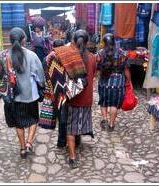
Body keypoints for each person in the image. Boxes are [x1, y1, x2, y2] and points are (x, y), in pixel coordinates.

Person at [0, 27, 45, 159]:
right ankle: (30, 143)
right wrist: (42, 86)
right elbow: (40, 77)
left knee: (19, 124)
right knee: (33, 120)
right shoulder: (32, 55)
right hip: (30, 96)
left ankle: (22, 148)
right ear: (24, 39)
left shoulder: (2, 55)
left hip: (13, 97)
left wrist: (2, 85)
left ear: (10, 40)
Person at [66, 30, 97, 168]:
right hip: (86, 97)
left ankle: (72, 157)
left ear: (74, 40)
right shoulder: (92, 58)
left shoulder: (70, 57)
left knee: (70, 128)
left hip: (72, 97)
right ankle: (78, 141)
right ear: (87, 41)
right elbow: (93, 74)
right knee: (81, 120)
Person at [97, 33, 132, 132]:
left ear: (104, 43)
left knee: (103, 102)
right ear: (114, 41)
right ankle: (111, 124)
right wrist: (129, 81)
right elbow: (126, 70)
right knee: (114, 105)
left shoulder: (100, 53)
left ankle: (104, 119)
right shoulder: (122, 53)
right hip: (118, 83)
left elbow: (97, 68)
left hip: (104, 83)